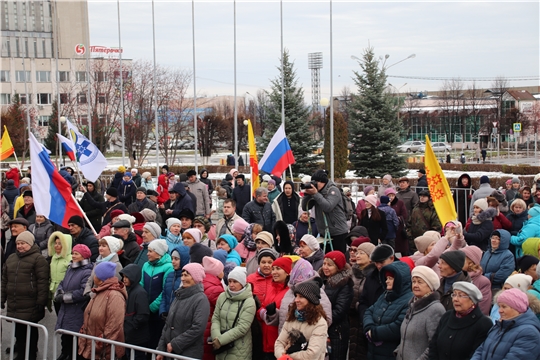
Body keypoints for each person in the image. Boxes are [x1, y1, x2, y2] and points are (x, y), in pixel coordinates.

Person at [1, 231, 49, 360]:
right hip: (15, 302)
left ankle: (31, 353)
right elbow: (5, 280)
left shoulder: (39, 259)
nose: (20, 246)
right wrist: (2, 298)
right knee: (19, 330)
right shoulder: (11, 258)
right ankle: (22, 353)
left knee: (30, 330)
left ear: (30, 244)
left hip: (30, 302)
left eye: (23, 243)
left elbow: (43, 281)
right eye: (18, 243)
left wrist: (41, 301)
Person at [156, 263, 210, 360]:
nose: (182, 279)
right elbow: (168, 325)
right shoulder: (179, 296)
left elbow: (198, 328)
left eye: (186, 275)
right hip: (171, 353)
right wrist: (161, 349)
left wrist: (175, 344)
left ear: (195, 277)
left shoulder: (201, 300)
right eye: (182, 275)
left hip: (188, 354)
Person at [427, 282, 492, 360]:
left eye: (461, 295)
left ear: (472, 300)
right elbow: (433, 345)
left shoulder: (483, 324)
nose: (455, 299)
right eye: (454, 295)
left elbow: (476, 354)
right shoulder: (447, 316)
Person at [363, 261, 413, 360]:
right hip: (373, 352)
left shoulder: (409, 300)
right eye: (386, 278)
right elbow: (369, 311)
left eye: (390, 278)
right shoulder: (385, 295)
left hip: (390, 353)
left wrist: (375, 333)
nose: (386, 281)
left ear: (399, 280)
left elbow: (398, 327)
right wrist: (369, 327)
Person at [472, 288, 540, 360]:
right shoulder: (499, 326)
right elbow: (481, 350)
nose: (499, 311)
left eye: (504, 307)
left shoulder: (529, 333)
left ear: (517, 308)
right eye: (499, 306)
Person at [78, 261, 128, 360]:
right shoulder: (99, 291)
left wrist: (99, 344)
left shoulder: (115, 295)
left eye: (95, 273)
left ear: (101, 277)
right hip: (92, 348)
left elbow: (114, 326)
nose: (93, 276)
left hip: (104, 353)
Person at [395, 266, 445, 360]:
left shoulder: (435, 309)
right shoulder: (412, 305)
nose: (415, 285)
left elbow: (434, 345)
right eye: (413, 281)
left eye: (420, 282)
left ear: (430, 286)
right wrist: (398, 351)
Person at [54, 244, 93, 360]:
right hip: (66, 311)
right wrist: (59, 292)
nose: (73, 256)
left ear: (84, 256)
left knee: (74, 343)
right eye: (73, 253)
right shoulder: (70, 268)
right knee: (65, 339)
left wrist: (65, 297)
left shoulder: (87, 271)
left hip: (76, 312)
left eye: (76, 254)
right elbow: (62, 282)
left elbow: (83, 292)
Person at [208, 266, 255, 360]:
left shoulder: (249, 301)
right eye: (229, 281)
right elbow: (216, 318)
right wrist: (216, 337)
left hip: (239, 350)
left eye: (235, 281)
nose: (231, 285)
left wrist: (221, 340)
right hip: (220, 347)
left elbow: (242, 327)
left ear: (242, 283)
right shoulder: (222, 296)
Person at [274, 280, 329, 360]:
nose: (296, 300)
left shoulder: (320, 323)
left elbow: (312, 354)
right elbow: (279, 343)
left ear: (311, 299)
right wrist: (282, 356)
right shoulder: (291, 318)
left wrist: (288, 356)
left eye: (301, 296)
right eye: (296, 296)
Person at [302, 170, 349, 253]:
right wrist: (307, 194)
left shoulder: (333, 190)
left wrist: (316, 194)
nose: (314, 184)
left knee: (338, 260)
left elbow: (328, 207)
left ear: (322, 182)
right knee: (327, 260)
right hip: (324, 233)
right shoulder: (317, 193)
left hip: (338, 232)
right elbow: (305, 207)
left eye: (316, 182)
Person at [140, 239, 174, 351]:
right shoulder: (146, 265)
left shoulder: (168, 267)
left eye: (150, 251)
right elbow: (141, 284)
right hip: (145, 310)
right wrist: (142, 304)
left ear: (158, 252)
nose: (147, 254)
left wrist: (152, 307)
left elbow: (165, 290)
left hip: (158, 313)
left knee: (156, 342)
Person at [320, 251, 353, 360]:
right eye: (324, 264)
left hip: (336, 331)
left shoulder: (344, 284)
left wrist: (322, 321)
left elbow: (340, 310)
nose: (325, 267)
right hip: (320, 328)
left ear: (338, 267)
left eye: (329, 265)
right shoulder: (320, 281)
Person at [258, 257, 292, 360]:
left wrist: (273, 314)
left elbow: (286, 317)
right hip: (267, 340)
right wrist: (264, 313)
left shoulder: (290, 292)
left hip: (281, 343)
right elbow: (261, 308)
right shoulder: (271, 288)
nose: (274, 272)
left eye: (278, 269)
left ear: (287, 272)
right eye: (273, 269)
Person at [119, 263, 150, 360]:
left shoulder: (140, 292)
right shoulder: (127, 290)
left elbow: (143, 315)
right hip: (129, 336)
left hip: (137, 337)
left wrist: (130, 327)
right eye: (123, 277)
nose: (124, 279)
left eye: (127, 277)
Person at [160, 245, 191, 318]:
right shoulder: (170, 275)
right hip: (166, 316)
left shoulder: (188, 278)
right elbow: (164, 295)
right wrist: (162, 311)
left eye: (176, 259)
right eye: (172, 258)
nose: (173, 262)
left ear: (184, 259)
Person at [460, 246, 492, 315]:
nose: (458, 261)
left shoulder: (483, 282)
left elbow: (482, 308)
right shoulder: (457, 276)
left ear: (471, 263)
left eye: (462, 259)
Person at [48, 231, 72, 313]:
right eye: (55, 243)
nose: (56, 246)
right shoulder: (54, 257)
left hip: (64, 293)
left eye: (60, 243)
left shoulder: (70, 259)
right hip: (54, 292)